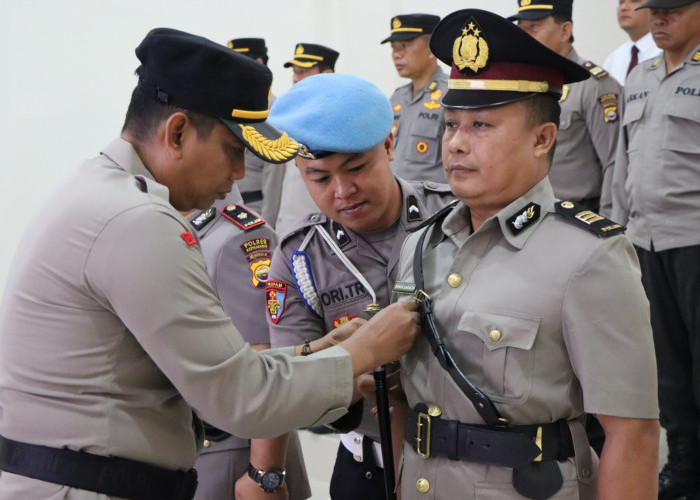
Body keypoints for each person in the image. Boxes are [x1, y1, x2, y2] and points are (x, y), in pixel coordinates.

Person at [0, 28, 420, 499]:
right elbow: (239, 396)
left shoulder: (100, 193)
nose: (240, 174)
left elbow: (220, 368)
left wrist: (318, 349)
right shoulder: (137, 221)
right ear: (177, 132)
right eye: (234, 151)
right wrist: (365, 351)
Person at [393, 9, 660, 499]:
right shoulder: (421, 243)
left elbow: (633, 432)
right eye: (451, 125)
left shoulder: (588, 256)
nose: (455, 144)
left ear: (542, 139)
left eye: (481, 126)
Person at [266, 73, 453, 500]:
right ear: (299, 170)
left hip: (466, 462)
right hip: (366, 465)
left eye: (356, 168)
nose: (343, 191)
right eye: (319, 178)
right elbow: (290, 380)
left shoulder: (454, 219)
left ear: (389, 145)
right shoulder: (299, 258)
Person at [611, 1, 700, 497]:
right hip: (646, 238)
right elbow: (624, 161)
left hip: (695, 238)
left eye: (672, 10)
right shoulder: (640, 77)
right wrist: (619, 229)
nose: (659, 19)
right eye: (655, 11)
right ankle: (684, 462)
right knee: (665, 362)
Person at [185, 187, 310, 499]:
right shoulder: (177, 227)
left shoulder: (236, 238)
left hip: (231, 457)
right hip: (192, 448)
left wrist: (263, 474)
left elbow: (268, 361)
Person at [509, 0, 622, 217]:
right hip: (530, 212)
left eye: (534, 27)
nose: (525, 36)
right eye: (521, 29)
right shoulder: (522, 84)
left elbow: (614, 162)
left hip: (579, 213)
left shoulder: (593, 84)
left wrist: (610, 223)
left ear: (565, 30)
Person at [381, 13, 447, 184]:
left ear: (432, 49)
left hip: (435, 204)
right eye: (394, 48)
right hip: (399, 201)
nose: (396, 54)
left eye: (405, 45)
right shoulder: (397, 97)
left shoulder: (450, 94)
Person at [226, 37, 285, 229]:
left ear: (258, 63)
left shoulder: (273, 112)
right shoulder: (234, 110)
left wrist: (266, 228)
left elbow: (274, 180)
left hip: (255, 213)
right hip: (228, 211)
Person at [603, 0, 661, 85]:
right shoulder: (613, 59)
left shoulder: (666, 53)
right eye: (621, 2)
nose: (623, 8)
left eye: (634, 1)